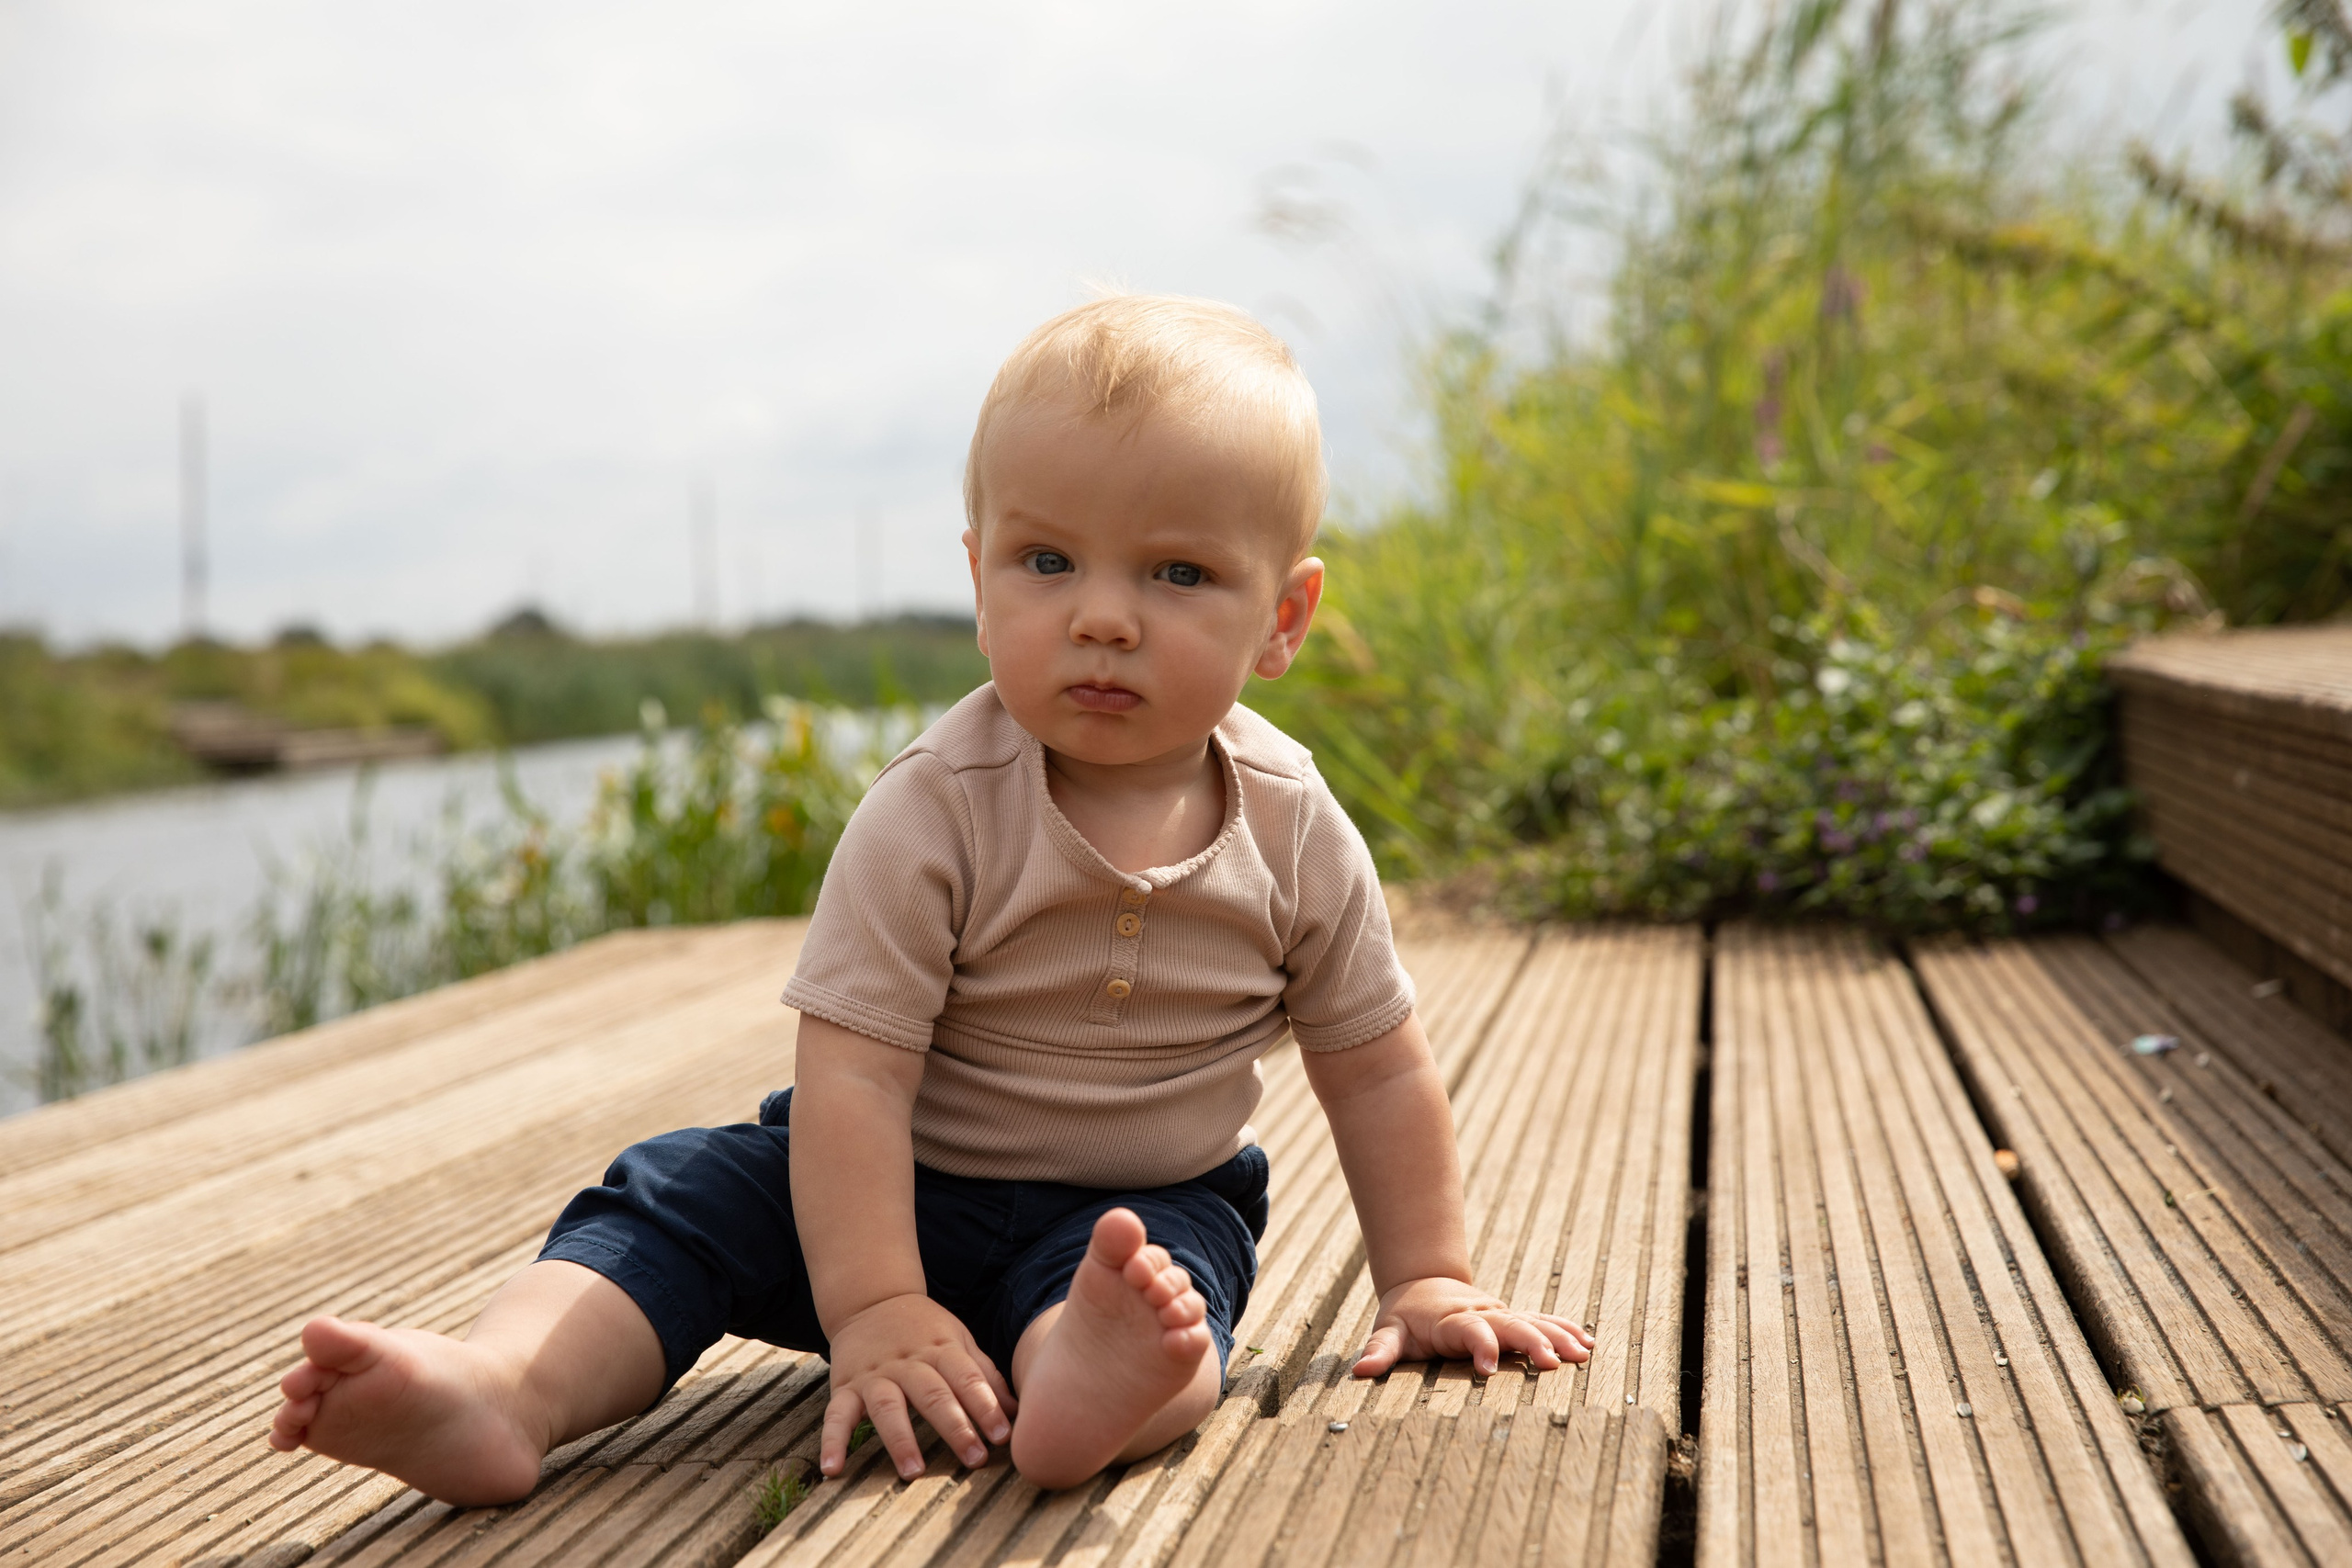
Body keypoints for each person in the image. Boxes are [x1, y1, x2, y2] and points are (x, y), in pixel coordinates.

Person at [265, 294, 1593, 1503]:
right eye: (1048, 563)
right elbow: (853, 1076)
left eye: (1178, 575)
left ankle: (1089, 1387)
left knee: (1169, 1299)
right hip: (880, 1187)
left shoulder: (1293, 823)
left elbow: (1373, 1068)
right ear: (977, 579)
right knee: (675, 1194)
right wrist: (880, 1304)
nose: (1105, 619)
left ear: (1283, 618)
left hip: (1130, 1211)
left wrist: (1425, 1276)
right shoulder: (940, 803)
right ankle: (509, 1389)